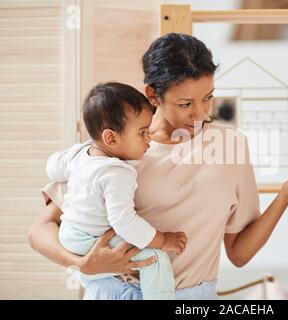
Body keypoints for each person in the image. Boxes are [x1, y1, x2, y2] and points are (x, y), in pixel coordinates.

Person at [29, 33, 288, 300]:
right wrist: (82, 264)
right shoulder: (118, 149)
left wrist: (287, 193)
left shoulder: (230, 146)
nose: (199, 115)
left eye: (207, 98)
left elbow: (239, 253)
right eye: (185, 104)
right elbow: (40, 230)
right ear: (153, 95)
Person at [46, 82, 186, 299]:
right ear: (110, 138)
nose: (149, 140)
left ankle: (95, 277)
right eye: (142, 133)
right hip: (88, 238)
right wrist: (163, 240)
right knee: (156, 257)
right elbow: (124, 221)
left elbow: (53, 168)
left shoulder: (80, 153)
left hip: (69, 234)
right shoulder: (116, 173)